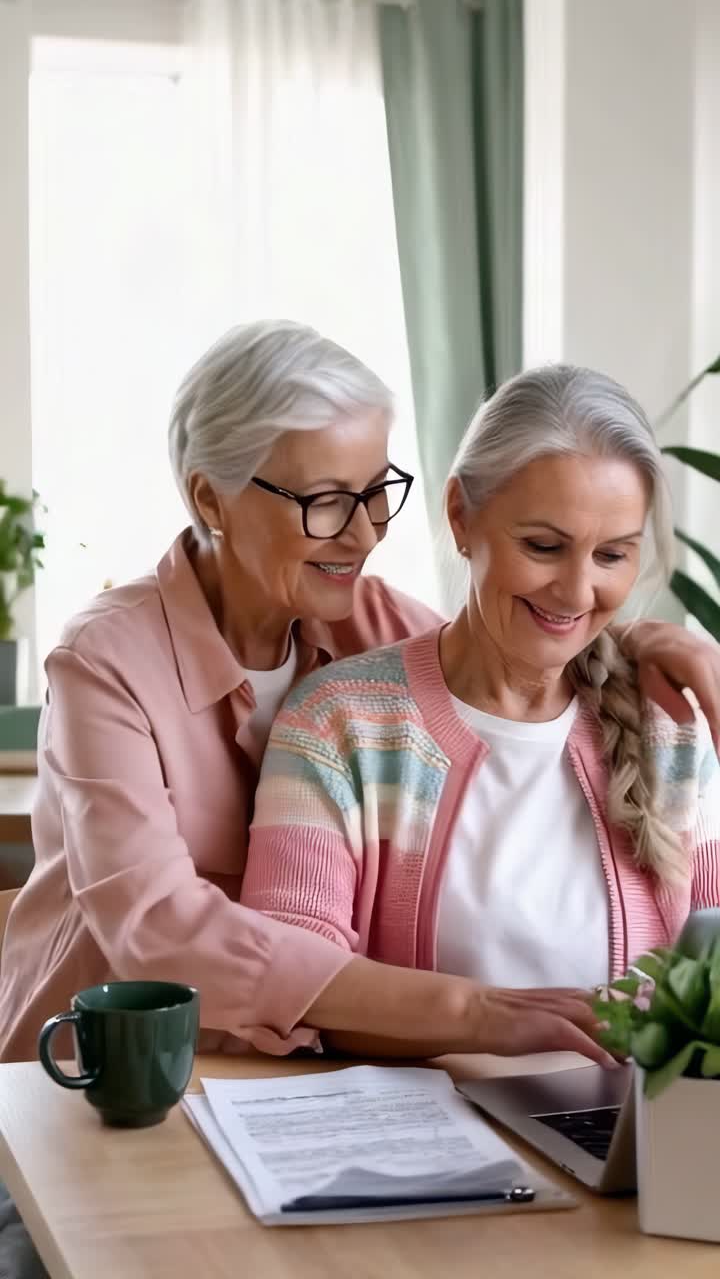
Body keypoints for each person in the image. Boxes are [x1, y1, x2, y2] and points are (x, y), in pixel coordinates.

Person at [0, 329, 717, 1069]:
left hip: (274, 1072)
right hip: (96, 1072)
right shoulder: (107, 660)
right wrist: (478, 1010)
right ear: (211, 497)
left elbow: (519, 645)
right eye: (326, 501)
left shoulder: (373, 622)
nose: (364, 532)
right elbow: (161, 932)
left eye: (376, 493)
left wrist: (642, 644)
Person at [241, 363, 720, 1056]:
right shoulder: (337, 722)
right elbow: (290, 977)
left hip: (626, 1122)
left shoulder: (669, 730)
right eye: (544, 547)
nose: (576, 591)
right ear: (461, 516)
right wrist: (488, 1017)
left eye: (612, 555)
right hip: (419, 1121)